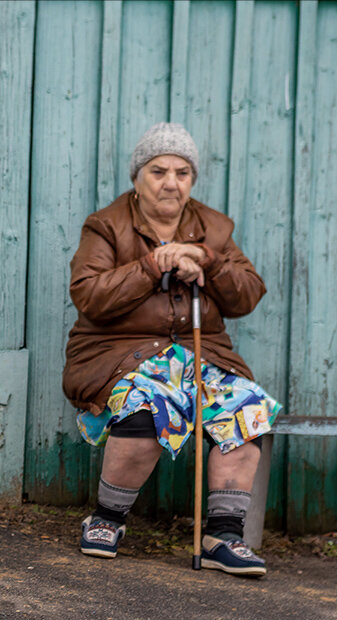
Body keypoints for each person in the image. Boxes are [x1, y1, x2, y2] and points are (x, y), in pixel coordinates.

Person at [62, 122, 281, 577]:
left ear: (192, 180)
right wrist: (150, 265)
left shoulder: (213, 228)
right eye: (158, 170)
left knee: (245, 410)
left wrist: (209, 261)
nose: (170, 182)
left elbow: (247, 295)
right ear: (137, 177)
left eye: (182, 172)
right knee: (148, 407)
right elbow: (90, 297)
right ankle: (108, 518)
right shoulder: (106, 226)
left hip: (202, 355)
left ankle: (224, 534)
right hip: (122, 352)